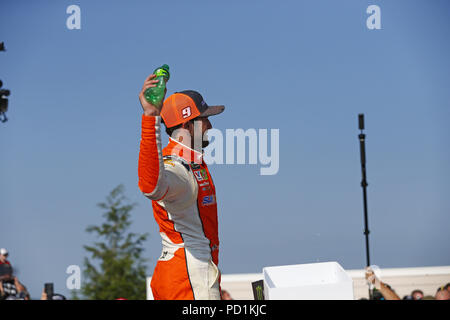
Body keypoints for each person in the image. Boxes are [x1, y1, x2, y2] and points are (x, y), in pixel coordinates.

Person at [138, 74, 225, 300]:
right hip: (188, 279)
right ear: (187, 125)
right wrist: (150, 117)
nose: (210, 126)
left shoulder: (189, 162)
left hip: (181, 273)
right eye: (204, 119)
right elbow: (151, 187)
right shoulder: (179, 168)